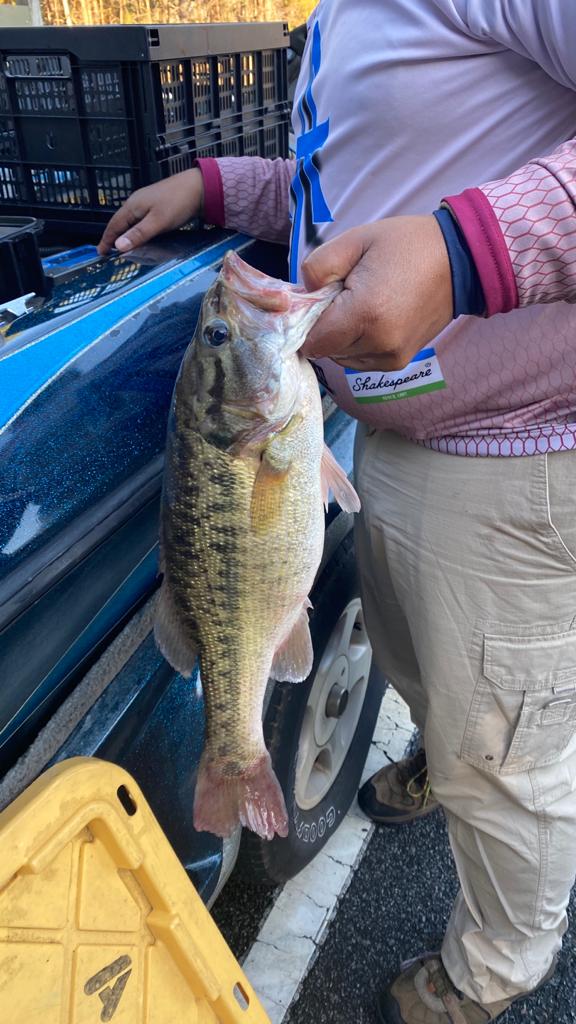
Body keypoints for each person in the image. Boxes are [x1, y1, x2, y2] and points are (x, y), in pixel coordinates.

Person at [99, 2, 576, 1021]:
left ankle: (490, 971)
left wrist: (465, 252)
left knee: (506, 766)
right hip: (389, 443)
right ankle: (440, 757)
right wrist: (220, 184)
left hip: (515, 456)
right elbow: (347, 197)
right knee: (428, 684)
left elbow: (437, 221)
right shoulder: (337, 13)